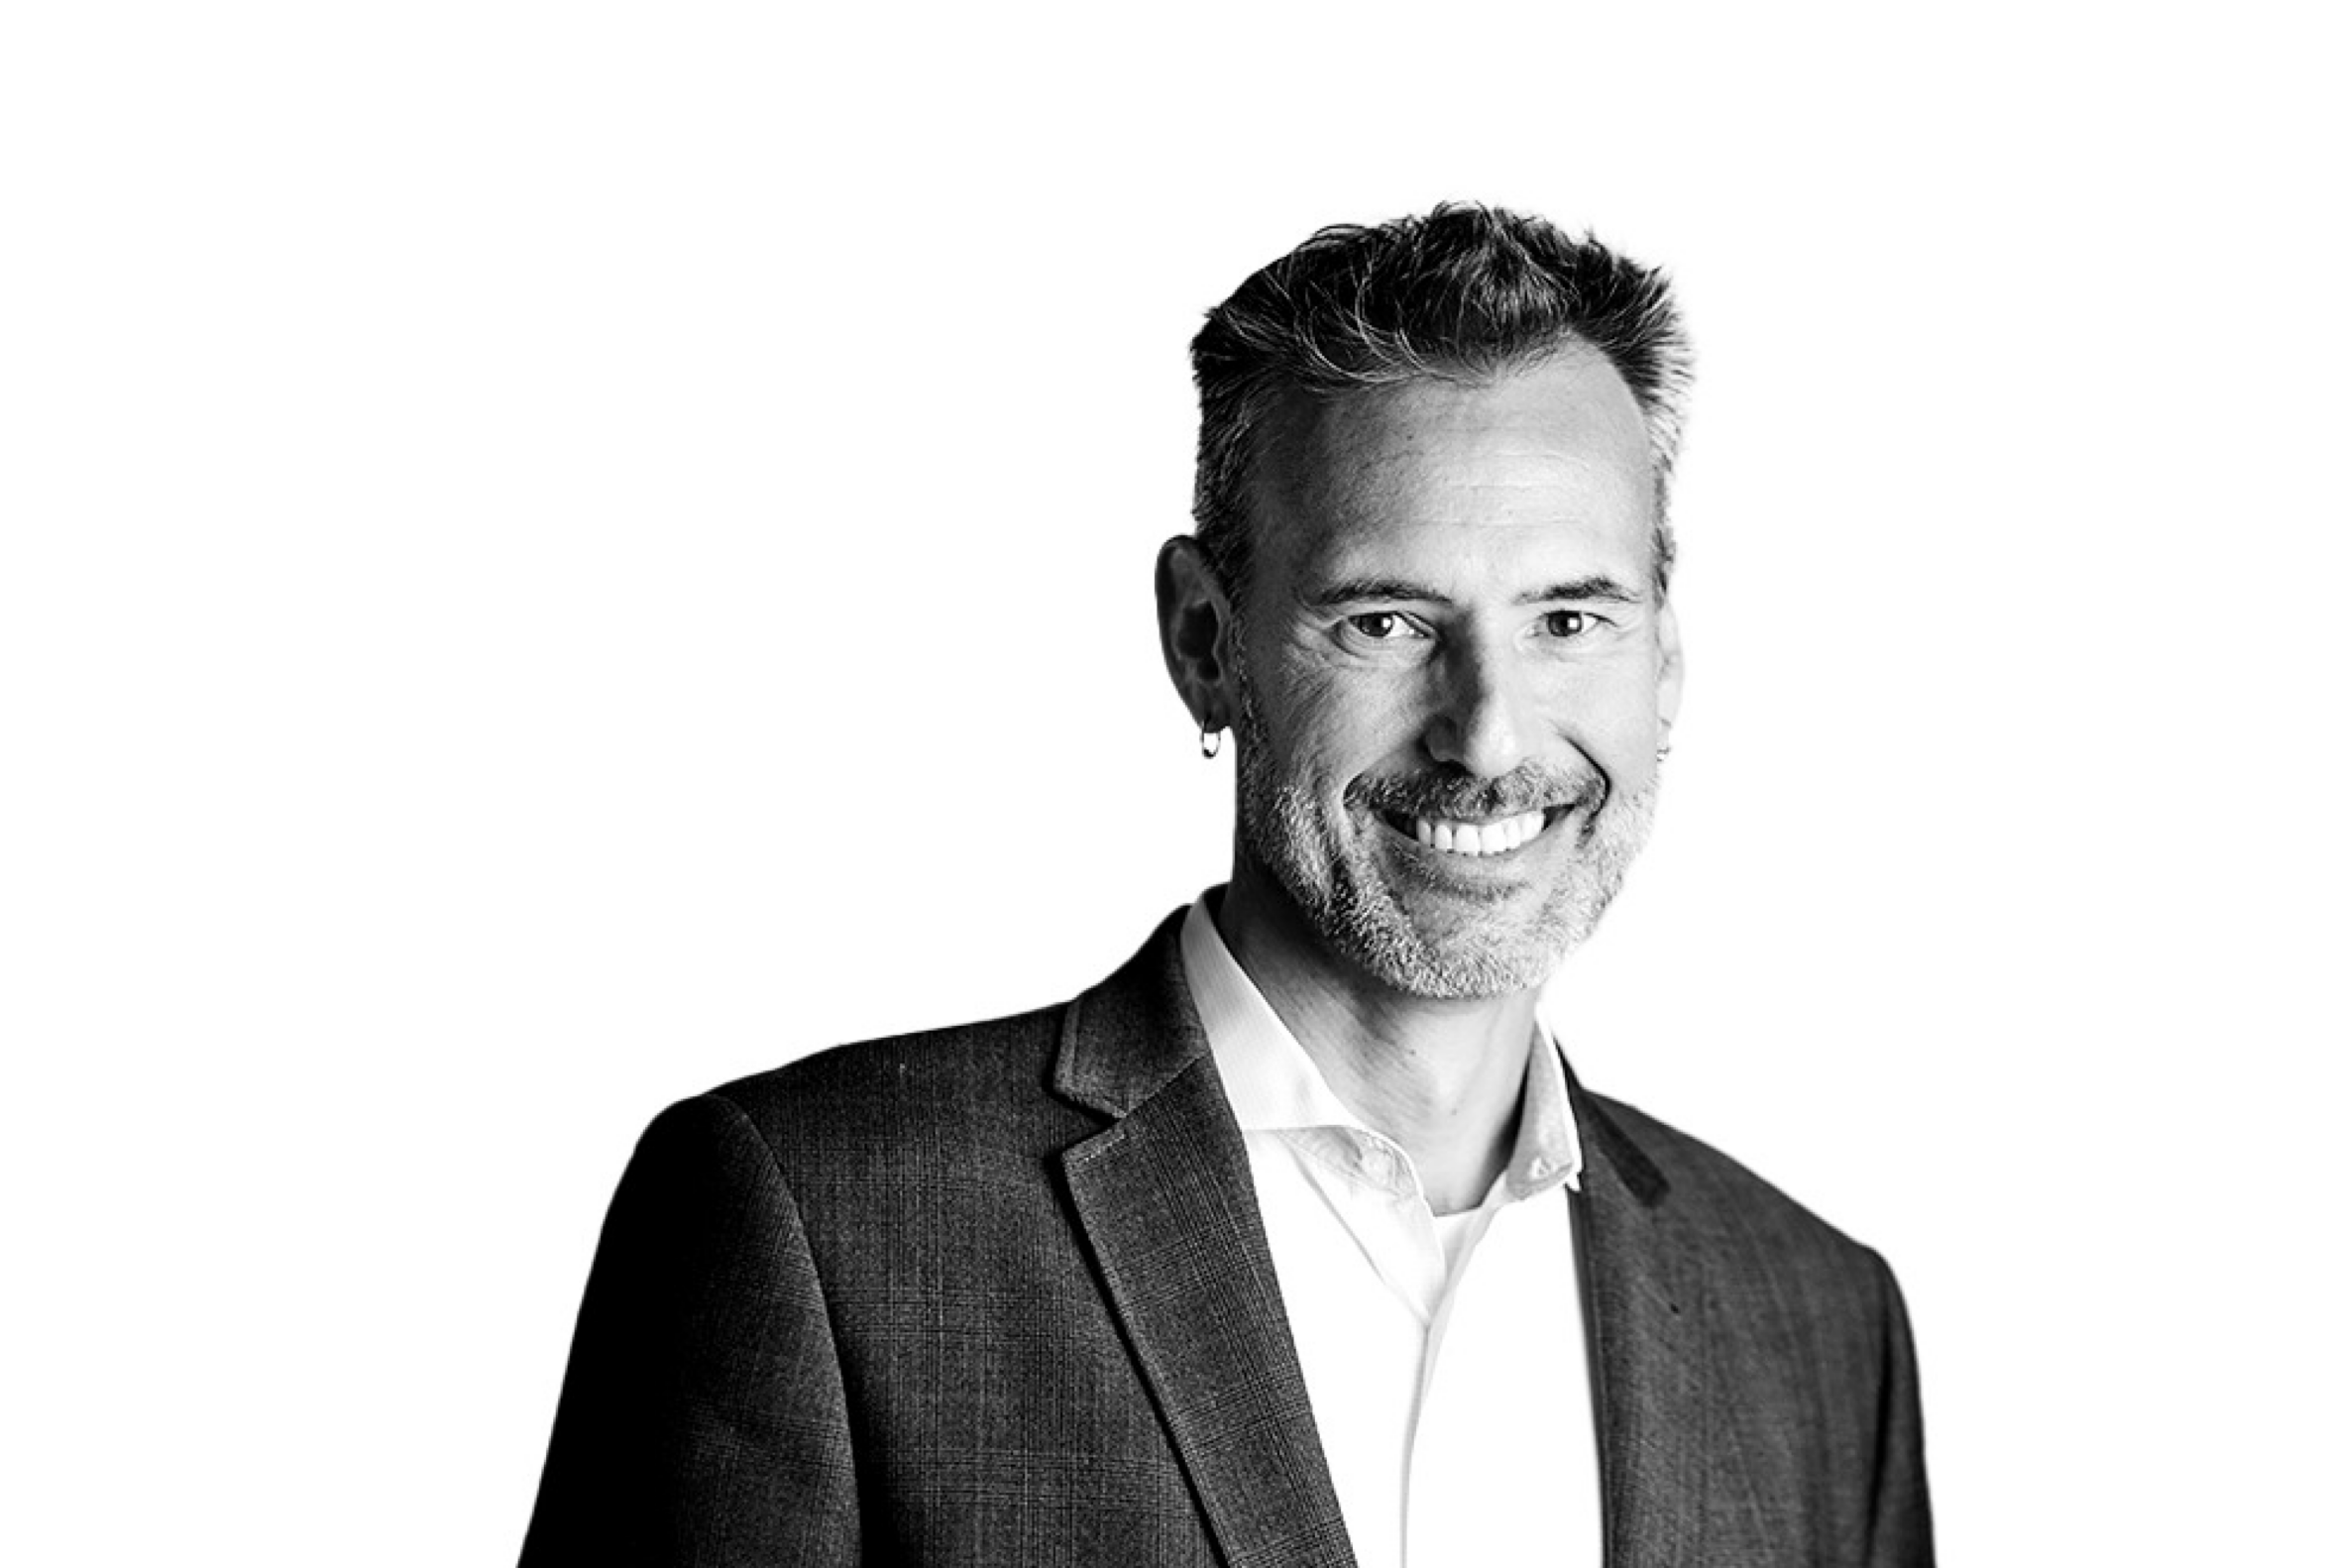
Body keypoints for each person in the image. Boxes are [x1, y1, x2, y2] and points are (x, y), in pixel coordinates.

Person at [519, 202, 1934, 1568]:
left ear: (1667, 660)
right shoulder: (820, 1229)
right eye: (1384, 619)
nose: (1489, 734)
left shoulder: (1816, 1322)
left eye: (1572, 616)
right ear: (1205, 637)